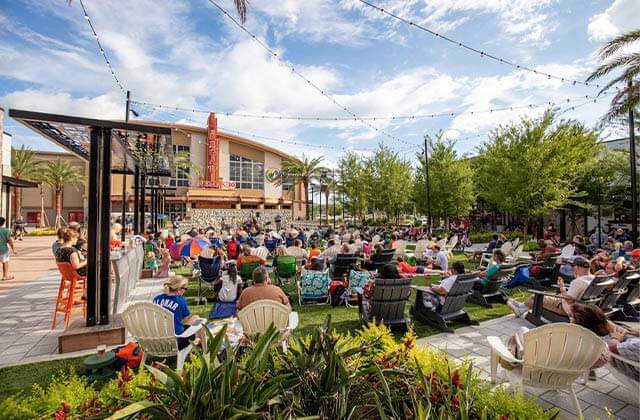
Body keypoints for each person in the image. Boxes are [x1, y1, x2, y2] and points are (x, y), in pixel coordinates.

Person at [508, 255, 593, 318]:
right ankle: (521, 306)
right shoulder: (593, 279)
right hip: (580, 307)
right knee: (545, 295)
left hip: (565, 308)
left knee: (536, 296)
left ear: (577, 268)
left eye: (573, 266)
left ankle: (520, 309)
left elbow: (569, 300)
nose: (572, 268)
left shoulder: (577, 282)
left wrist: (562, 287)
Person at [570, 303, 639, 380]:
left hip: (633, 369)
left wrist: (616, 338)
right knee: (614, 330)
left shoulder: (635, 345)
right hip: (628, 349)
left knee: (606, 336)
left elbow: (613, 347)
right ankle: (594, 320)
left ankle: (589, 322)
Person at [153, 276, 204, 349]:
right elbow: (184, 319)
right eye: (185, 289)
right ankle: (202, 345)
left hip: (159, 339)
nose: (185, 291)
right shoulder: (180, 301)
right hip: (177, 340)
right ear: (179, 289)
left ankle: (197, 341)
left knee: (193, 318)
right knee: (197, 318)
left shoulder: (157, 299)